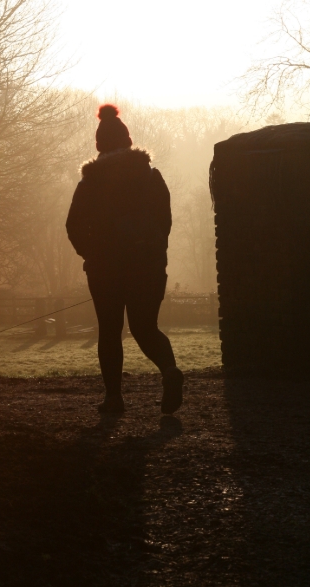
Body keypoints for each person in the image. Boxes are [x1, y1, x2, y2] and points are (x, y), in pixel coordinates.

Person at [66, 103, 183, 414]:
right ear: (128, 141)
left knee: (109, 330)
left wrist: (90, 254)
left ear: (99, 146)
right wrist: (155, 253)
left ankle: (114, 399)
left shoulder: (89, 184)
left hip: (105, 270)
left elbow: (72, 226)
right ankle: (170, 371)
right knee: (146, 328)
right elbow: (165, 221)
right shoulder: (151, 177)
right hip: (148, 266)